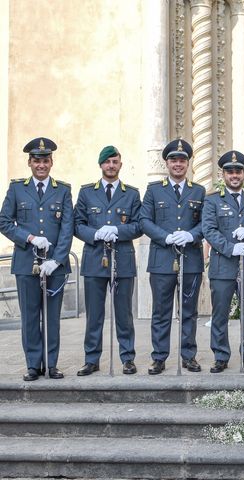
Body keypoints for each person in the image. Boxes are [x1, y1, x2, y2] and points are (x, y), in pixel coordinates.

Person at [0, 137, 73, 381]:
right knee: (30, 317)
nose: (41, 165)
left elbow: (67, 228)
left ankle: (51, 364)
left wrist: (58, 259)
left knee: (52, 318)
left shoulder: (62, 190)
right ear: (29, 162)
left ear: (51, 162)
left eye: (45, 160)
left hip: (55, 265)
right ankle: (33, 364)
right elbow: (4, 221)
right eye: (37, 160)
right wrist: (29, 237)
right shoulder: (17, 188)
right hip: (26, 263)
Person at [73, 146, 142, 376]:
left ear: (120, 165)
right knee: (94, 314)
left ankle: (127, 358)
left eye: (115, 161)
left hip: (122, 261)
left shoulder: (131, 193)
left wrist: (117, 230)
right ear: (100, 165)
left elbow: (138, 225)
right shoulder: (86, 193)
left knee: (124, 314)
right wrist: (95, 234)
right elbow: (77, 224)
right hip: (94, 260)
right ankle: (92, 359)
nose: (111, 166)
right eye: (107, 162)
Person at [140, 139, 205, 375]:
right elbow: (144, 220)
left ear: (188, 163)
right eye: (173, 160)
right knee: (161, 311)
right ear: (166, 163)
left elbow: (205, 223)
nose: (178, 164)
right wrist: (165, 237)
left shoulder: (198, 191)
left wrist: (191, 234)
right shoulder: (154, 190)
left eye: (182, 160)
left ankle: (189, 356)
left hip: (191, 259)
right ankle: (159, 357)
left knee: (189, 310)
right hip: (162, 259)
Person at [202, 151, 244, 373]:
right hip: (222, 267)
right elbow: (208, 230)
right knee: (220, 314)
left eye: (238, 171)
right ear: (223, 175)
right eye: (230, 171)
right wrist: (230, 248)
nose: (234, 175)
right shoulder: (212, 200)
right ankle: (221, 356)